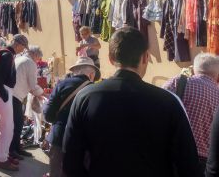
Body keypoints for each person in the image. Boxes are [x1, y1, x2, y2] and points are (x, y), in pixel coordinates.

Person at [63, 27, 199, 176]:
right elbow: (188, 164)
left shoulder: (85, 98)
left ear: (111, 58)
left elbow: (71, 160)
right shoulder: (168, 102)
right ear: (145, 58)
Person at [164, 53, 219, 173]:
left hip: (175, 155)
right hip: (205, 163)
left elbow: (157, 108)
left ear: (194, 68)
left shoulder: (179, 82)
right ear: (217, 73)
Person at [43, 56, 97, 177]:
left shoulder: (61, 84)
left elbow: (48, 114)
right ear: (91, 74)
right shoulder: (94, 90)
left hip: (59, 136)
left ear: (74, 72)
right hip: (81, 141)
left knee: (55, 172)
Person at [0, 34, 27, 172]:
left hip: (2, 91)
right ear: (18, 44)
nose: (22, 50)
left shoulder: (7, 53)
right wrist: (5, 96)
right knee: (6, 128)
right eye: (23, 47)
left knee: (8, 127)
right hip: (2, 91)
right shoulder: (8, 55)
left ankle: (4, 156)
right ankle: (2, 159)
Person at [11, 43, 44, 160]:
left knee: (16, 124)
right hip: (15, 95)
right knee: (17, 124)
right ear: (34, 55)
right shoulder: (30, 63)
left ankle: (16, 148)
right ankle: (13, 150)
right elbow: (32, 85)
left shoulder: (19, 58)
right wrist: (41, 93)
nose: (38, 61)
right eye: (38, 58)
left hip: (12, 94)